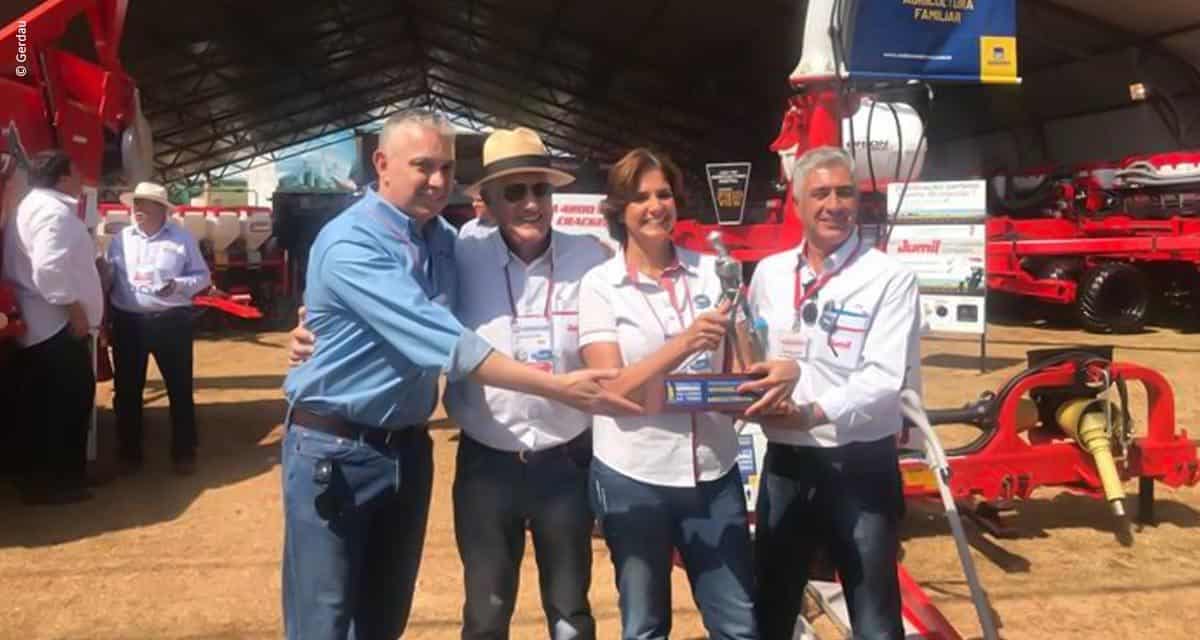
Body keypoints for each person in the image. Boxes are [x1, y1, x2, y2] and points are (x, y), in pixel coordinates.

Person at [280, 110, 637, 640]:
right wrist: (557, 386)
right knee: (326, 618)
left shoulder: (446, 242)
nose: (436, 180)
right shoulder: (357, 243)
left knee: (384, 613)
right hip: (338, 451)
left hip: (411, 451)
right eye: (422, 166)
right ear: (381, 164)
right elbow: (446, 342)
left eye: (445, 168)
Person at [577, 148, 797, 640]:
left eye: (664, 195)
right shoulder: (599, 286)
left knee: (738, 621)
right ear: (619, 211)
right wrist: (684, 344)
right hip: (634, 475)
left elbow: (741, 368)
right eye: (640, 198)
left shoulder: (712, 271)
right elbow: (609, 386)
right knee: (645, 624)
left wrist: (760, 376)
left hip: (712, 472)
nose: (656, 206)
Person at [746, 146, 922, 640]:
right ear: (797, 204)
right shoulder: (770, 273)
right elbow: (756, 351)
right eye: (820, 193)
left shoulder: (888, 277)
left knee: (874, 614)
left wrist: (812, 412)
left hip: (859, 464)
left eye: (845, 192)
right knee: (774, 603)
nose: (834, 204)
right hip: (786, 463)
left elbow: (885, 376)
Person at [1, 149, 103, 504]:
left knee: (43, 403)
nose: (81, 179)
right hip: (54, 324)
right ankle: (62, 481)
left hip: (38, 322)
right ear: (63, 177)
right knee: (70, 400)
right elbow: (48, 269)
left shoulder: (29, 207)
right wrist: (74, 309)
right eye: (76, 172)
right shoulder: (54, 213)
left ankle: (47, 477)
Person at [104, 181, 211, 476]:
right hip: (128, 322)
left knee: (179, 388)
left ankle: (184, 451)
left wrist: (178, 285)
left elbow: (202, 276)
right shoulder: (120, 239)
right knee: (127, 390)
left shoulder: (181, 238)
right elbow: (110, 279)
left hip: (171, 322)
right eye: (135, 204)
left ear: (161, 210)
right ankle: (129, 452)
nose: (137, 209)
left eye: (144, 204)